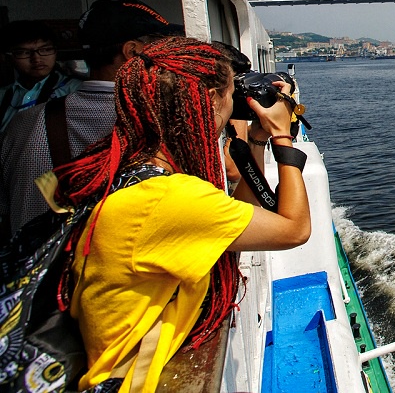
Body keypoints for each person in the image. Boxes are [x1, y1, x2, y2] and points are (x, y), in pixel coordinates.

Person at [51, 36, 311, 392]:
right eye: (229, 92)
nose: (235, 101)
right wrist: (283, 136)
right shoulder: (171, 198)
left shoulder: (130, 169)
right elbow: (294, 230)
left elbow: (243, 217)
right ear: (208, 102)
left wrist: (256, 140)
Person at [0, 0, 182, 237]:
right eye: (161, 47)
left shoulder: (23, 123)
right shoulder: (158, 121)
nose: (168, 57)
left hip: (34, 269)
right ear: (132, 51)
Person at [0, 20, 81, 132]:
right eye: (25, 52)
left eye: (46, 50)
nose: (37, 59)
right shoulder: (3, 95)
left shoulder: (75, 91)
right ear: (7, 57)